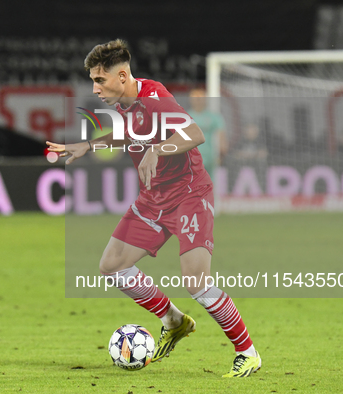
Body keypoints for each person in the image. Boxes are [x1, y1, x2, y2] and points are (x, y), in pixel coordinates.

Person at [47, 39, 261, 378]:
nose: (95, 88)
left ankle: (247, 352)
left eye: (99, 80)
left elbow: (194, 132)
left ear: (121, 75)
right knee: (112, 265)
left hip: (189, 194)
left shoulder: (155, 99)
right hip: (153, 198)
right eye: (92, 80)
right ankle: (174, 321)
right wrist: (87, 145)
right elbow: (125, 134)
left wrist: (157, 150)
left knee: (196, 281)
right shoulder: (124, 103)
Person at [188, 88, 228, 180]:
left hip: (209, 157)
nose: (198, 101)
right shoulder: (186, 116)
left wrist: (222, 152)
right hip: (191, 159)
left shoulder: (213, 116)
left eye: (200, 98)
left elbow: (221, 134)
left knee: (208, 183)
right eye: (195, 98)